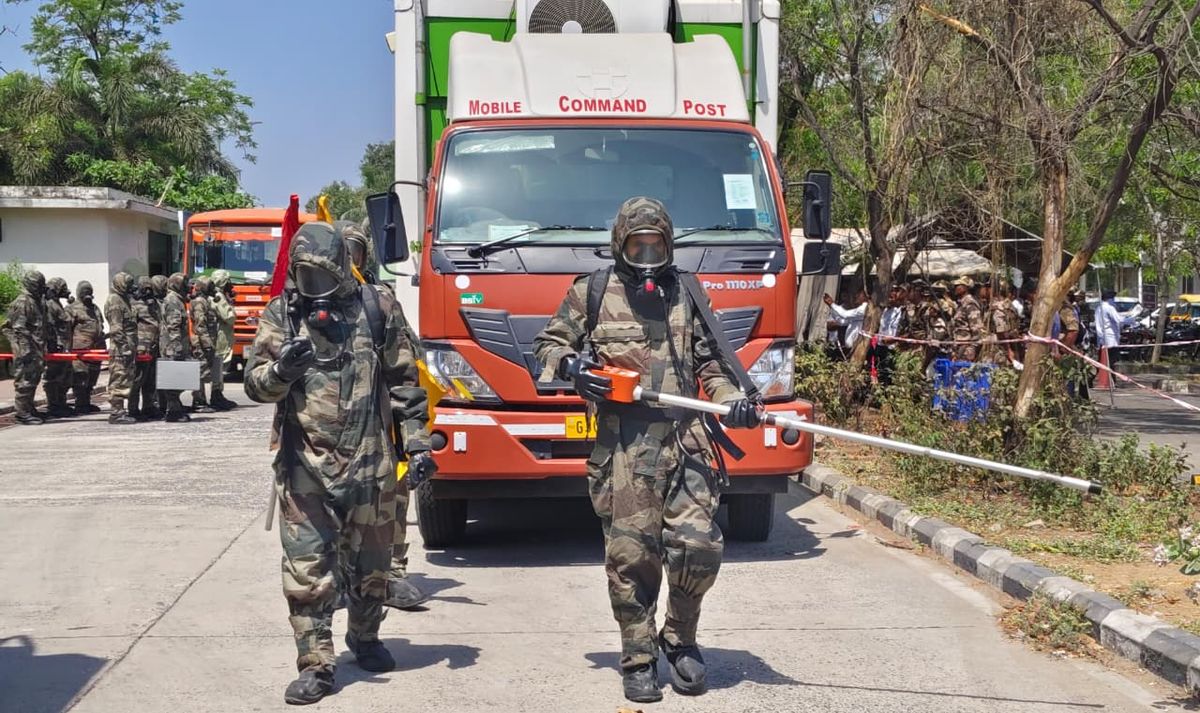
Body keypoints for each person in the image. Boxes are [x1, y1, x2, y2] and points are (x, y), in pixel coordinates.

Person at [533, 197, 761, 703]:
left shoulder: (688, 292)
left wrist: (733, 403)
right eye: (637, 244)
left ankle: (680, 639)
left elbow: (713, 366)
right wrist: (575, 370)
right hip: (625, 447)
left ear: (668, 243)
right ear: (621, 244)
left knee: (698, 547)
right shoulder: (591, 292)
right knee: (631, 557)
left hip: (687, 440)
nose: (647, 253)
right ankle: (638, 656)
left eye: (655, 244)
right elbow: (546, 348)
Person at [244, 223, 434, 706]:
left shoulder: (377, 308)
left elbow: (406, 383)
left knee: (371, 570)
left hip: (370, 471)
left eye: (322, 277)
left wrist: (417, 445)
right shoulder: (283, 314)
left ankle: (365, 638)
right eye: (304, 278)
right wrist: (282, 370)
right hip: (305, 470)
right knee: (309, 574)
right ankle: (316, 663)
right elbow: (254, 384)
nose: (314, 291)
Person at [344, 223, 430, 611]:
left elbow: (405, 365)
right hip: (328, 434)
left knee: (391, 502)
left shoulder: (380, 302)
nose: (347, 261)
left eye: (355, 252)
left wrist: (415, 436)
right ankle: (340, 577)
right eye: (341, 251)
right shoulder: (302, 304)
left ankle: (391, 572)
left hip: (381, 429)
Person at [3, 270, 48, 425]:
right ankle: (22, 413)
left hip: (35, 347)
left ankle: (29, 409)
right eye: (38, 285)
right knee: (25, 380)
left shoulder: (35, 301)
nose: (41, 288)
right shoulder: (23, 301)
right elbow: (19, 329)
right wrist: (27, 349)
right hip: (25, 348)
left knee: (33, 378)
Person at [104, 272, 139, 425]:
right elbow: (116, 329)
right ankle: (116, 413)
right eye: (129, 284)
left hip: (128, 348)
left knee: (125, 379)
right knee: (119, 379)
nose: (132, 287)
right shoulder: (115, 301)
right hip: (120, 350)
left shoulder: (125, 300)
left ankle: (120, 411)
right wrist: (125, 348)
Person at [67, 280, 105, 414]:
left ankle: (86, 403)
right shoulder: (72, 309)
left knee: (92, 378)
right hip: (79, 351)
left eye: (89, 292)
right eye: (85, 292)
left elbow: (101, 324)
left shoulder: (95, 308)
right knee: (80, 378)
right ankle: (80, 404)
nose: (87, 294)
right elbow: (67, 329)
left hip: (96, 350)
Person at [160, 273, 192, 422]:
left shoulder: (178, 300)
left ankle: (175, 407)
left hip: (177, 345)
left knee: (178, 378)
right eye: (184, 284)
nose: (187, 287)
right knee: (173, 378)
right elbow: (174, 326)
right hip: (172, 346)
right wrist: (177, 345)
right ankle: (173, 410)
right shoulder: (173, 300)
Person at [130, 276, 163, 421]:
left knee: (151, 380)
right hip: (141, 348)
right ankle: (133, 409)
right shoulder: (134, 305)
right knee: (138, 379)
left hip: (155, 347)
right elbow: (130, 326)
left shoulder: (156, 305)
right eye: (145, 288)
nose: (148, 291)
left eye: (150, 288)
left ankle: (148, 407)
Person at [41, 277, 75, 418]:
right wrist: (55, 345)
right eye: (63, 288)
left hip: (65, 346)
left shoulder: (57, 304)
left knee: (65, 376)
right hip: (56, 347)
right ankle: (53, 405)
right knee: (53, 377)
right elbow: (50, 327)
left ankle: (61, 403)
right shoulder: (50, 305)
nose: (65, 290)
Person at [189, 276, 219, 413]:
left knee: (204, 372)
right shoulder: (200, 302)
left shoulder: (206, 301)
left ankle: (202, 400)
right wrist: (207, 343)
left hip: (207, 342)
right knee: (200, 373)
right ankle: (198, 401)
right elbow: (200, 326)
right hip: (201, 343)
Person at [210, 270, 239, 410]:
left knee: (220, 365)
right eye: (228, 282)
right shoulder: (218, 296)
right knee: (219, 365)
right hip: (220, 335)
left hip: (222, 334)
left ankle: (217, 393)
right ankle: (216, 395)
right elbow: (229, 317)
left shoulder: (219, 296)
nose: (231, 285)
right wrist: (232, 307)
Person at [983, 282, 1021, 365]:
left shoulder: (997, 307)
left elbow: (1001, 331)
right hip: (1012, 344)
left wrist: (1008, 350)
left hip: (1000, 348)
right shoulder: (1010, 305)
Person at [950, 276, 985, 362]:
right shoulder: (961, 304)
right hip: (959, 347)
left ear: (965, 288)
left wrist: (972, 349)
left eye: (958, 285)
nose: (955, 287)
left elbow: (977, 329)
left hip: (966, 350)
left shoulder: (970, 303)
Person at [823, 288, 867, 353]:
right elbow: (842, 322)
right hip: (850, 349)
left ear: (865, 297)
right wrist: (831, 306)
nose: (856, 296)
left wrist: (832, 304)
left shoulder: (863, 309)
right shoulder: (859, 310)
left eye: (859, 294)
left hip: (856, 349)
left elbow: (845, 314)